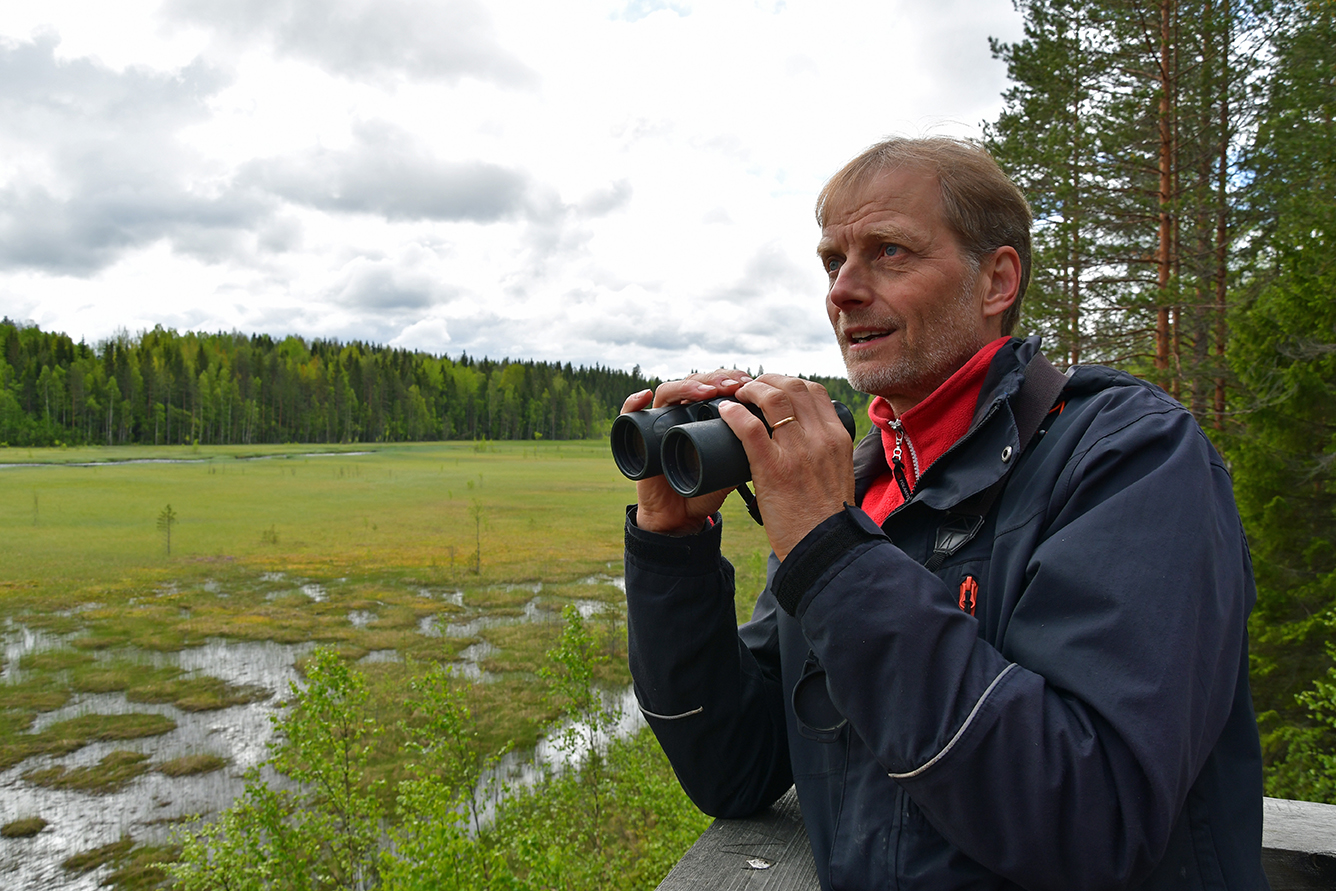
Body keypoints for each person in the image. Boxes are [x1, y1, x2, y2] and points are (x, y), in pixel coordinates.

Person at [620, 137, 1267, 890]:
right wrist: (674, 547)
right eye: (833, 261)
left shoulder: (1131, 454)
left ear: (997, 280)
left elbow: (1092, 815)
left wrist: (832, 557)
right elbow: (735, 764)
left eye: (889, 251)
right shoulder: (863, 486)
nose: (842, 291)